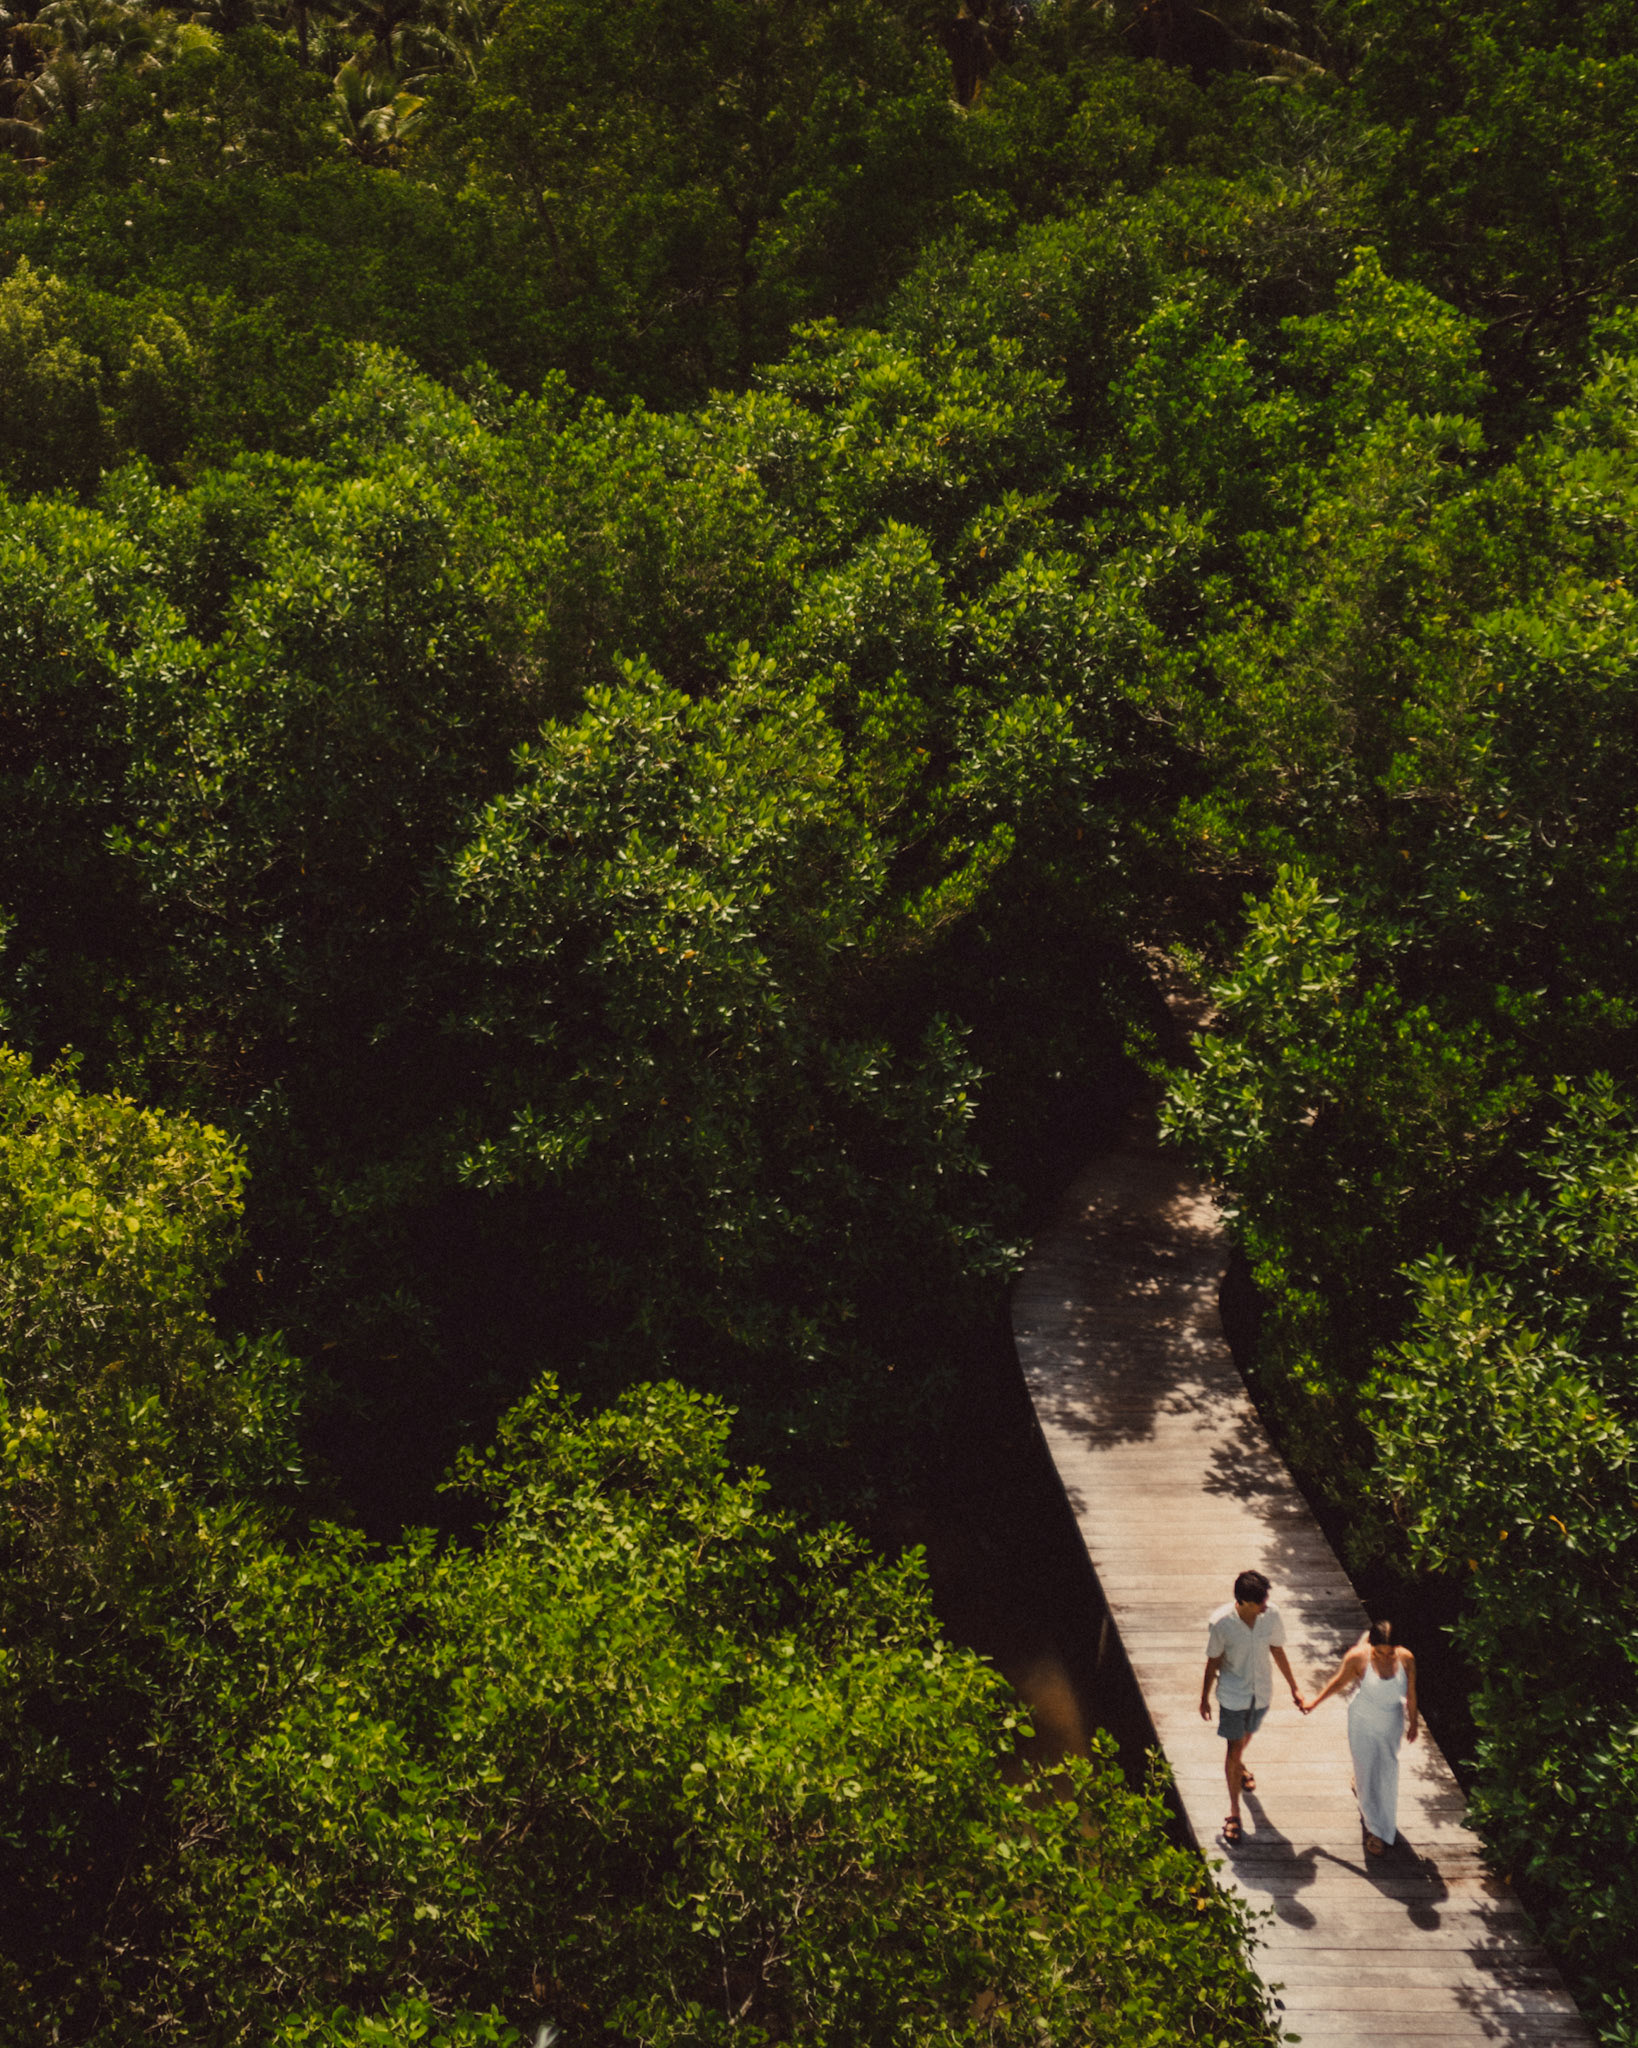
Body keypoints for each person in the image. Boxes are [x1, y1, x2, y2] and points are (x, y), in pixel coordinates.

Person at [1199, 1569, 1304, 1844]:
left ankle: (1239, 1767)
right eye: (1260, 1602)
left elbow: (1277, 1649)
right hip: (1233, 1696)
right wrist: (1204, 1697)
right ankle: (1234, 1813)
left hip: (1261, 1694)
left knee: (1246, 1738)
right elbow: (1213, 1661)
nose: (1265, 1606)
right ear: (1244, 1602)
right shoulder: (1221, 1623)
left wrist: (1294, 1687)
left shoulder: (1271, 1615)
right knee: (1233, 1749)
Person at [1301, 1619, 1418, 1855]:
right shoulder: (1358, 1658)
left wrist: (1413, 1722)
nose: (1385, 1657)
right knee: (1366, 1771)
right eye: (1380, 1652)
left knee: (1387, 1769)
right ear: (1371, 1646)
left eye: (1390, 1653)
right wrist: (1314, 1702)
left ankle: (1380, 1815)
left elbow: (1411, 1693)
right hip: (1362, 1721)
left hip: (1391, 1722)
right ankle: (1374, 1829)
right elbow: (1338, 1682)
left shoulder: (1407, 1659)